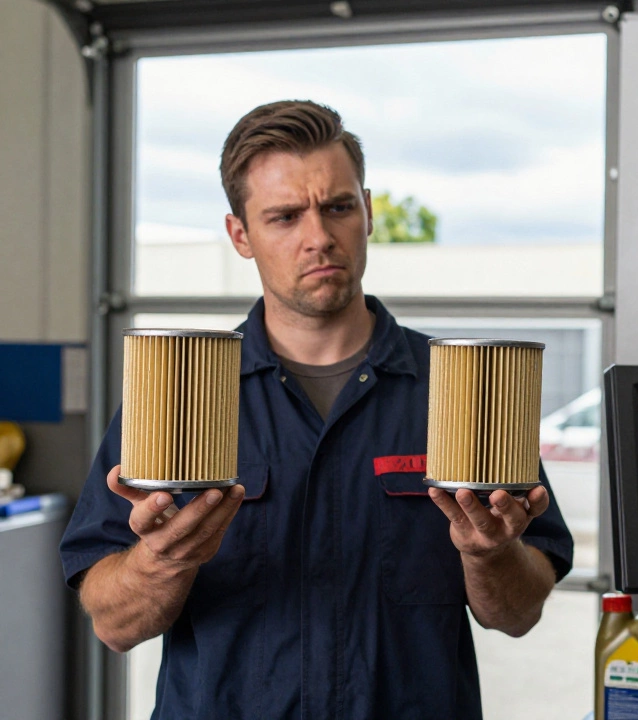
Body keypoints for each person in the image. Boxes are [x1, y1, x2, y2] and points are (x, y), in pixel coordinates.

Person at [59, 100, 574, 719]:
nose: (319, 237)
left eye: (338, 207)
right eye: (284, 217)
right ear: (240, 236)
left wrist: (490, 555)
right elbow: (114, 625)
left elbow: (517, 615)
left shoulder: (465, 392)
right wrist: (162, 559)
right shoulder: (173, 395)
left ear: (368, 212)